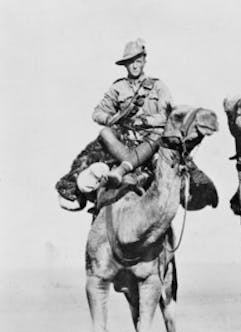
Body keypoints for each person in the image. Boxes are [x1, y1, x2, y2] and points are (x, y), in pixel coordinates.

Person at [56, 38, 172, 209]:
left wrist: (145, 121)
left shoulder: (158, 86)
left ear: (144, 62)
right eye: (130, 62)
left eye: (138, 61)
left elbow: (167, 115)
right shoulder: (118, 88)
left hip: (151, 139)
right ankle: (78, 188)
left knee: (179, 163)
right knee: (101, 138)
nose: (134, 66)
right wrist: (111, 119)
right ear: (125, 65)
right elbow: (97, 113)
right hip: (124, 141)